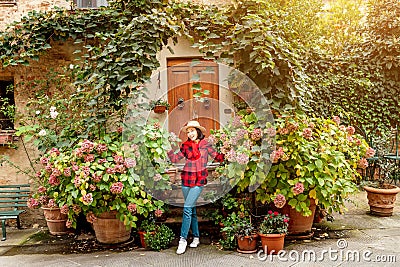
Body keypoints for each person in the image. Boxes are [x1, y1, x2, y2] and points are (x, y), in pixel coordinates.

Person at [168, 120, 224, 255]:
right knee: (191, 210)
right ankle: (196, 237)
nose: (190, 133)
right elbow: (176, 159)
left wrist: (228, 151)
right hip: (186, 179)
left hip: (199, 180)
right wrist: (167, 148)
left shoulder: (205, 145)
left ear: (198, 131)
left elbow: (217, 157)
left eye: (192, 130)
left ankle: (182, 240)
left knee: (186, 209)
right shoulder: (185, 145)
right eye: (188, 132)